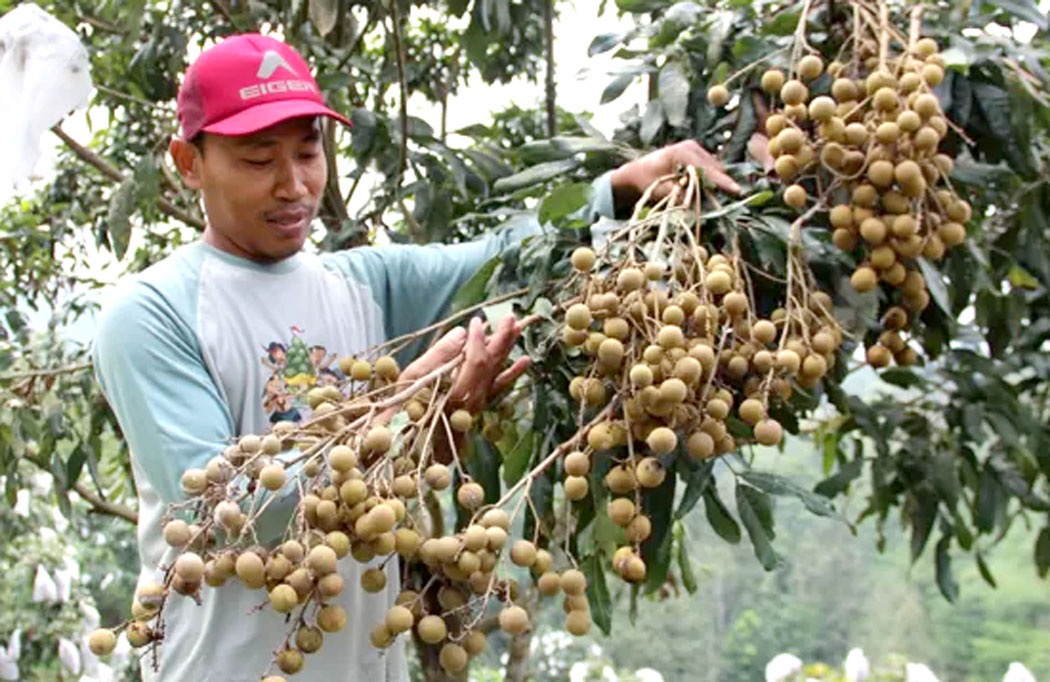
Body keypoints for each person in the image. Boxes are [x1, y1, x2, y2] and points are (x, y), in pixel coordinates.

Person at [91, 33, 737, 682]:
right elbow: (219, 517)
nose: (294, 186)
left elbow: (505, 260)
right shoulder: (150, 315)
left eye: (309, 153)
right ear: (188, 162)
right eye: (259, 160)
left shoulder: (368, 285)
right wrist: (407, 410)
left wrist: (622, 188)